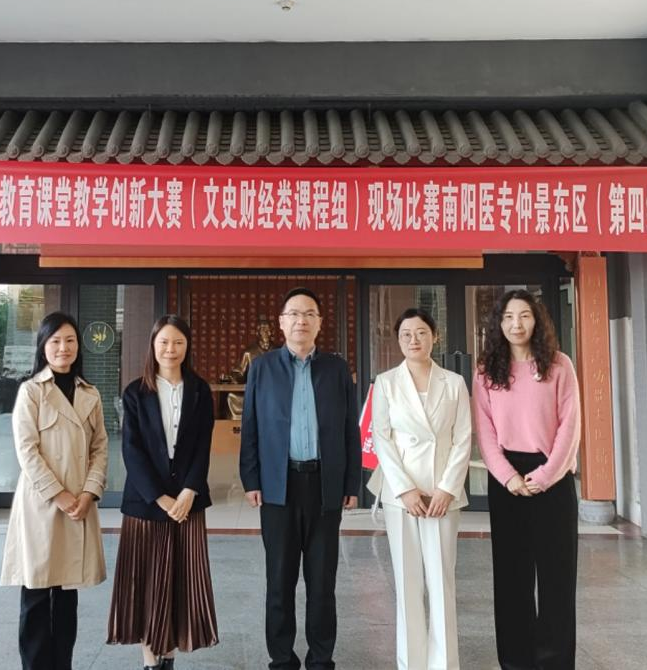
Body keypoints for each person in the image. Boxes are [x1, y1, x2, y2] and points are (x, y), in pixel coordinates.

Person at [240, 287, 362, 670]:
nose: (301, 321)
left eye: (309, 314)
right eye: (293, 313)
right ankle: (281, 659)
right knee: (279, 581)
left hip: (324, 486)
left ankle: (321, 659)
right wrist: (251, 479)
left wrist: (351, 484)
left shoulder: (336, 369)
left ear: (320, 323)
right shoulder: (262, 368)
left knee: (322, 583)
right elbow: (250, 427)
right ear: (281, 322)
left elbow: (350, 430)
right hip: (279, 487)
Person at [472, 290, 581, 670]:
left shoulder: (560, 364)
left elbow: (570, 426)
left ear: (537, 320)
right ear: (498, 324)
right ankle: (516, 661)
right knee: (511, 578)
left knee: (557, 578)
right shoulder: (486, 369)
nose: (516, 324)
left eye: (524, 316)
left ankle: (554, 661)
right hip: (507, 481)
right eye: (508, 317)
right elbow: (484, 431)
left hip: (553, 476)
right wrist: (508, 477)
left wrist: (546, 475)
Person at [108, 314, 219, 670]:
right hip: (146, 503)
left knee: (178, 582)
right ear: (153, 346)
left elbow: (203, 446)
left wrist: (189, 491)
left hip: (187, 503)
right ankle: (149, 660)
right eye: (164, 342)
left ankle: (168, 656)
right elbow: (131, 450)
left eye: (178, 342)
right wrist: (160, 497)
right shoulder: (135, 392)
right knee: (145, 583)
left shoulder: (200, 390)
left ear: (188, 347)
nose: (171, 349)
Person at [0, 311, 109, 670]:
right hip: (42, 504)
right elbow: (26, 451)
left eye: (70, 340)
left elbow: (100, 448)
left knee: (66, 597)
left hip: (78, 504)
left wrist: (89, 493)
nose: (64, 348)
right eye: (56, 341)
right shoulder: (31, 391)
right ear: (43, 346)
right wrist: (59, 495)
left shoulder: (90, 393)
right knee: (35, 593)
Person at [366, 308, 472, 670]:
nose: (414, 340)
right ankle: (410, 663)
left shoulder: (454, 383)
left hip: (442, 494)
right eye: (406, 334)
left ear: (434, 337)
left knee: (441, 582)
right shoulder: (386, 383)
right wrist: (405, 490)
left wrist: (447, 489)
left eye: (421, 333)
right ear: (398, 340)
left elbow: (463, 438)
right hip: (403, 496)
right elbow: (382, 438)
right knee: (408, 583)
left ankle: (444, 664)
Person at [221, 317, 274, 418]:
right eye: (263, 330)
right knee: (231, 398)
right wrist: (232, 377)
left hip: (274, 393)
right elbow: (240, 372)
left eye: (268, 330)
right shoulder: (249, 353)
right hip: (254, 393)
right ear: (257, 333)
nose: (266, 333)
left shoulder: (278, 351)